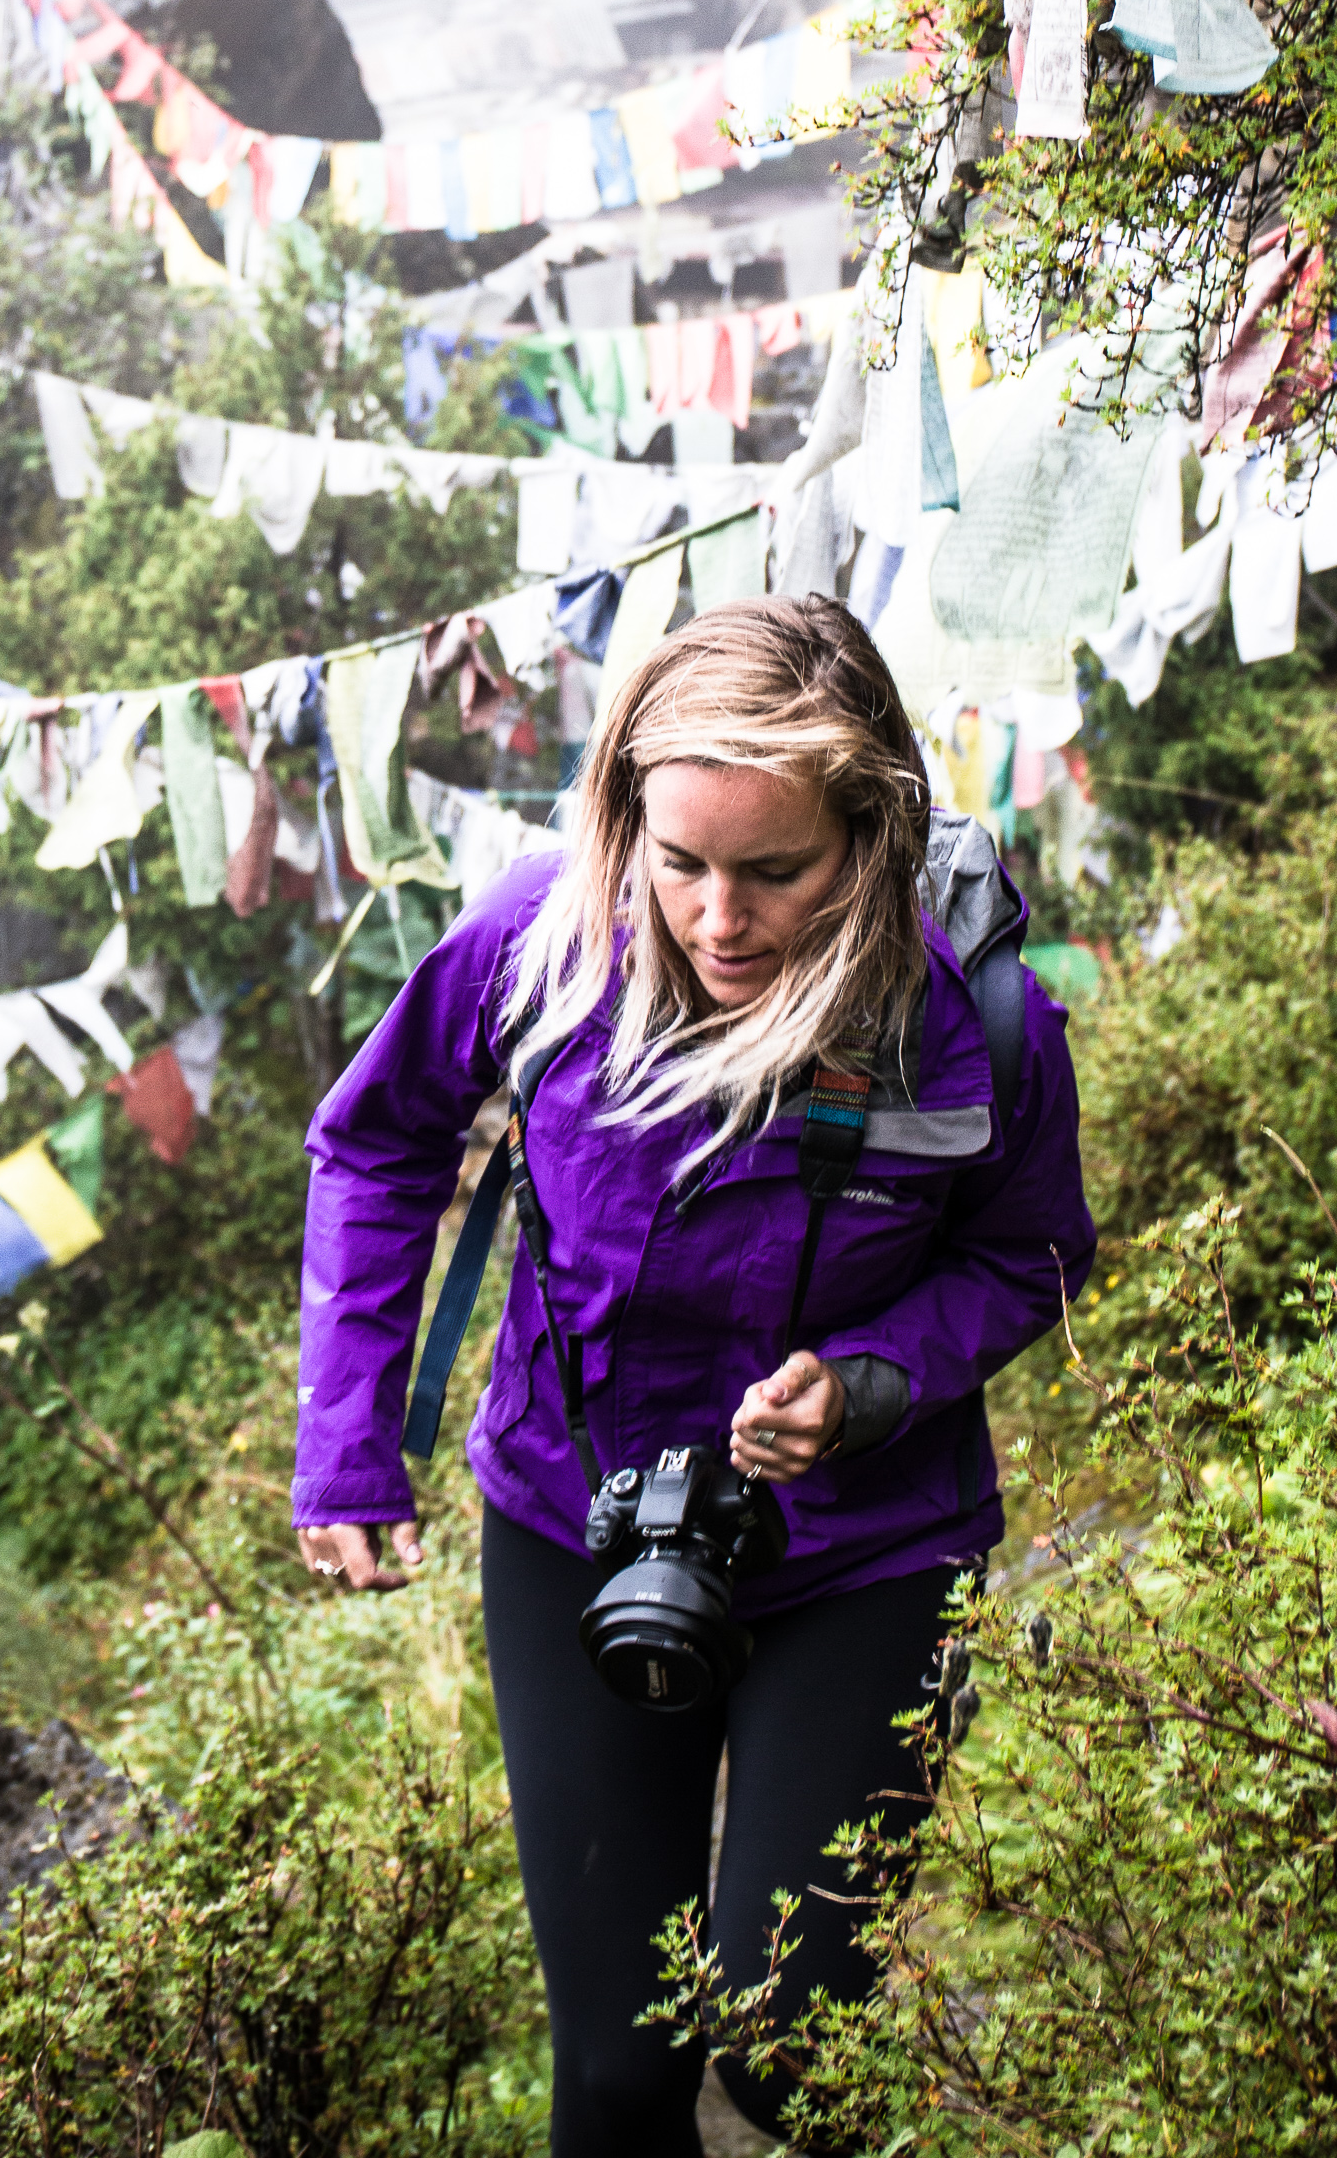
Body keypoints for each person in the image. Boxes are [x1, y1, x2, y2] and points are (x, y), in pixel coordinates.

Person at [293, 597, 1092, 2155]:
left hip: (867, 1548)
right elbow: (375, 1141)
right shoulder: (538, 947)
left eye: (773, 871)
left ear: (868, 837)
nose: (717, 918)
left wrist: (866, 1383)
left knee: (795, 2047)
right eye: (679, 862)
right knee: (620, 2069)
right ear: (625, 823)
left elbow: (1031, 1256)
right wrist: (348, 1448)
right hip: (576, 1522)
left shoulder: (970, 1021)